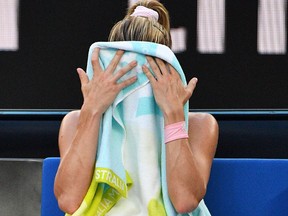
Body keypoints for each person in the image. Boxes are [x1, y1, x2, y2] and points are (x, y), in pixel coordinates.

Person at [54, 0, 218, 215]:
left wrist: (173, 115)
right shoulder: (76, 121)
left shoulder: (200, 126)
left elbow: (185, 201)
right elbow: (69, 200)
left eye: (146, 73)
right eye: (122, 68)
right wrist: (92, 112)